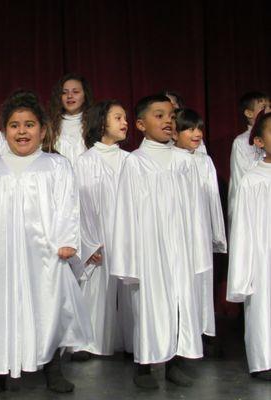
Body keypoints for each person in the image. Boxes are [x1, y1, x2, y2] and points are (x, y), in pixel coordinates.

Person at [0, 90, 92, 395]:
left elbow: (68, 205)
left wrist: (67, 241)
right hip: (3, 255)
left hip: (46, 254)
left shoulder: (56, 166)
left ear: (43, 129)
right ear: (5, 130)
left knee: (48, 308)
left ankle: (52, 367)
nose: (22, 131)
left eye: (29, 124)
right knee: (2, 309)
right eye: (14, 125)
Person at [111, 95, 208, 389]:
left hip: (180, 243)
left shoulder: (185, 161)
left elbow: (195, 209)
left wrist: (197, 247)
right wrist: (130, 257)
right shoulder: (136, 163)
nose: (168, 120)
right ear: (140, 124)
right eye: (159, 115)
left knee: (179, 302)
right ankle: (144, 366)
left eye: (170, 115)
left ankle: (175, 362)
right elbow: (126, 212)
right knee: (149, 307)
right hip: (149, 247)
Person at [72, 100, 133, 360]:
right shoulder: (84, 162)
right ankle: (87, 342)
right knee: (95, 289)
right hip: (97, 238)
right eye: (118, 117)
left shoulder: (131, 161)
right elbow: (76, 206)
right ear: (102, 123)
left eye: (125, 118)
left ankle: (134, 340)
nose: (125, 123)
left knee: (130, 288)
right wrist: (88, 243)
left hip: (127, 235)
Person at [172, 108, 227, 352]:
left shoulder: (205, 161)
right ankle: (179, 330)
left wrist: (216, 235)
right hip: (179, 231)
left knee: (202, 278)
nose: (197, 133)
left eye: (199, 128)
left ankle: (202, 330)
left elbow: (213, 199)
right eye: (190, 129)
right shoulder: (171, 160)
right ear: (175, 133)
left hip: (200, 230)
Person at [227, 111, 271, 381]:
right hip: (263, 258)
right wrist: (243, 274)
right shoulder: (253, 180)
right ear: (259, 142)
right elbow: (243, 230)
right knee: (263, 307)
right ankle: (265, 359)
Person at [228, 91, 270, 222]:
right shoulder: (241, 142)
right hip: (254, 201)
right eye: (263, 107)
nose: (268, 110)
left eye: (270, 106)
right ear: (249, 113)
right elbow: (239, 178)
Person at [49, 73, 94, 164]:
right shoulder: (50, 125)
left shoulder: (94, 123)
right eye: (64, 92)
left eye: (75, 92)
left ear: (85, 96)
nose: (69, 96)